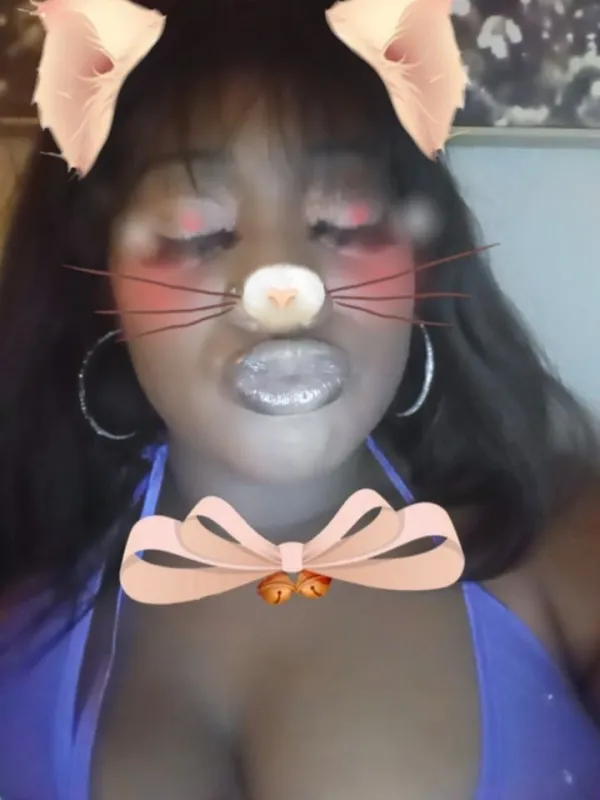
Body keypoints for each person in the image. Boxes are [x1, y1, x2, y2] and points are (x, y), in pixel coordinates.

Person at [0, 1, 599, 798]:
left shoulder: (563, 543)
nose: (282, 290)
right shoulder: (18, 596)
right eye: (196, 229)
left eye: (342, 219)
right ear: (102, 285)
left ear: (420, 270)